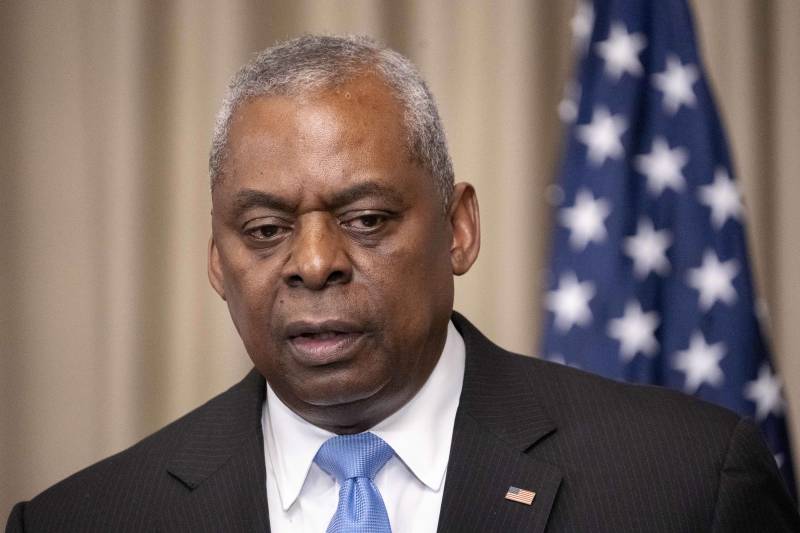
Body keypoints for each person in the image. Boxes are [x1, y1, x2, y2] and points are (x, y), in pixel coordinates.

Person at [5, 34, 799, 533]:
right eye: (266, 230)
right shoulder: (79, 521)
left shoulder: (688, 484)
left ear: (458, 229)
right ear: (217, 261)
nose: (314, 262)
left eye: (367, 218)